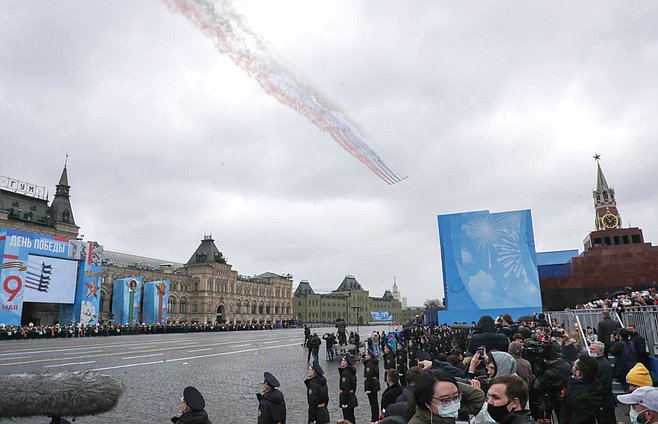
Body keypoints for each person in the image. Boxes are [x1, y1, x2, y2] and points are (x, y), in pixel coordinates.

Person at [406, 369, 485, 424]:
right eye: (446, 400)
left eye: (456, 397)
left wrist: (449, 384)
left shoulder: (456, 414)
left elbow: (478, 397)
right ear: (427, 402)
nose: (453, 404)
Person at [532, 342, 570, 420]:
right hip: (566, 397)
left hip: (556, 400)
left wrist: (536, 381)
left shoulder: (549, 373)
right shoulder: (566, 365)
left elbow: (540, 388)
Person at [560, 353, 601, 424]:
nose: (572, 366)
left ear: (578, 372)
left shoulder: (586, 397)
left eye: (574, 365)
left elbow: (577, 420)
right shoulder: (575, 383)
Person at [588, 341, 615, 424]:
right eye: (590, 348)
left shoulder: (604, 365)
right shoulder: (596, 362)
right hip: (599, 401)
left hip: (605, 403)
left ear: (600, 351)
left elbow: (605, 386)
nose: (590, 350)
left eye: (593, 349)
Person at [610, 328, 636, 392]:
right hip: (630, 367)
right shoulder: (631, 343)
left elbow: (612, 352)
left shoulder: (619, 344)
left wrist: (613, 341)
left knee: (626, 387)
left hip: (622, 369)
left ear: (620, 336)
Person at [338, 354, 358, 424]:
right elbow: (354, 386)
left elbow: (345, 388)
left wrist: (344, 402)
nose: (341, 362)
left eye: (343, 360)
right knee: (351, 417)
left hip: (347, 399)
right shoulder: (351, 372)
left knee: (347, 418)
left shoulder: (345, 374)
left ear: (346, 363)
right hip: (351, 396)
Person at [364, 347, 381, 422]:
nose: (365, 356)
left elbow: (369, 377)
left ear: (370, 356)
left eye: (367, 354)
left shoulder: (369, 364)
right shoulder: (374, 363)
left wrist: (368, 388)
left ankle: (374, 418)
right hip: (375, 384)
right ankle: (375, 417)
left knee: (373, 403)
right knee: (375, 402)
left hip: (371, 385)